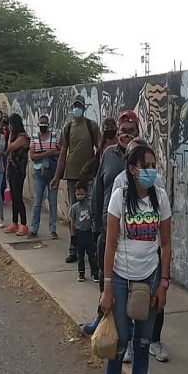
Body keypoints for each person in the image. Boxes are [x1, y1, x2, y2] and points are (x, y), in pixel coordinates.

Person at [96, 144, 172, 374]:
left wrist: (163, 283)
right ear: (132, 168)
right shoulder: (119, 196)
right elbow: (110, 245)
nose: (151, 170)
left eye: (154, 165)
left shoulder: (160, 198)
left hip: (149, 280)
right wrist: (106, 288)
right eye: (146, 165)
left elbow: (165, 244)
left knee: (142, 345)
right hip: (119, 279)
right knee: (119, 343)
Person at [82, 111, 140, 336]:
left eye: (130, 131)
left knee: (129, 283)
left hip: (133, 233)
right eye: (122, 131)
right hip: (107, 230)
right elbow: (98, 189)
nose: (126, 135)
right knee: (104, 276)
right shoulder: (108, 154)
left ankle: (130, 327)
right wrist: (96, 223)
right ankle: (102, 317)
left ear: (137, 132)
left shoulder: (143, 156)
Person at [51, 94, 100, 263]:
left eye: (79, 106)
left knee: (91, 212)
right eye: (75, 106)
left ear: (84, 108)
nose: (77, 109)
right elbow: (63, 153)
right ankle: (74, 249)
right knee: (74, 213)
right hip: (72, 175)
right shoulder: (68, 127)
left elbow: (99, 149)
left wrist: (93, 166)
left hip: (89, 175)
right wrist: (57, 176)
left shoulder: (91, 126)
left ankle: (92, 247)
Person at [28, 114, 60, 238]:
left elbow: (61, 150)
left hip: (52, 172)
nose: (43, 126)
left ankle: (53, 229)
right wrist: (47, 153)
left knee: (53, 201)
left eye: (44, 124)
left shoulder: (54, 136)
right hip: (38, 172)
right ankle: (33, 228)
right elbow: (32, 156)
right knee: (37, 201)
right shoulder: (34, 137)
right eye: (41, 124)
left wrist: (51, 153)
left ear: (48, 124)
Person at [4, 114, 31, 236]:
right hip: (12, 169)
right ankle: (15, 222)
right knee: (14, 197)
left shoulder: (22, 137)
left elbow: (10, 147)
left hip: (19, 170)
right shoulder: (16, 136)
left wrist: (9, 135)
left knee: (18, 197)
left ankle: (24, 224)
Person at [70, 182, 97, 282]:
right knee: (80, 256)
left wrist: (94, 231)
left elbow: (92, 220)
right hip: (79, 233)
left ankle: (94, 273)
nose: (80, 196)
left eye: (82, 194)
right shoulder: (74, 208)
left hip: (88, 233)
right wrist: (73, 235)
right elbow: (72, 222)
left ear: (86, 193)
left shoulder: (89, 206)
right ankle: (81, 273)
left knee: (92, 255)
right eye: (78, 194)